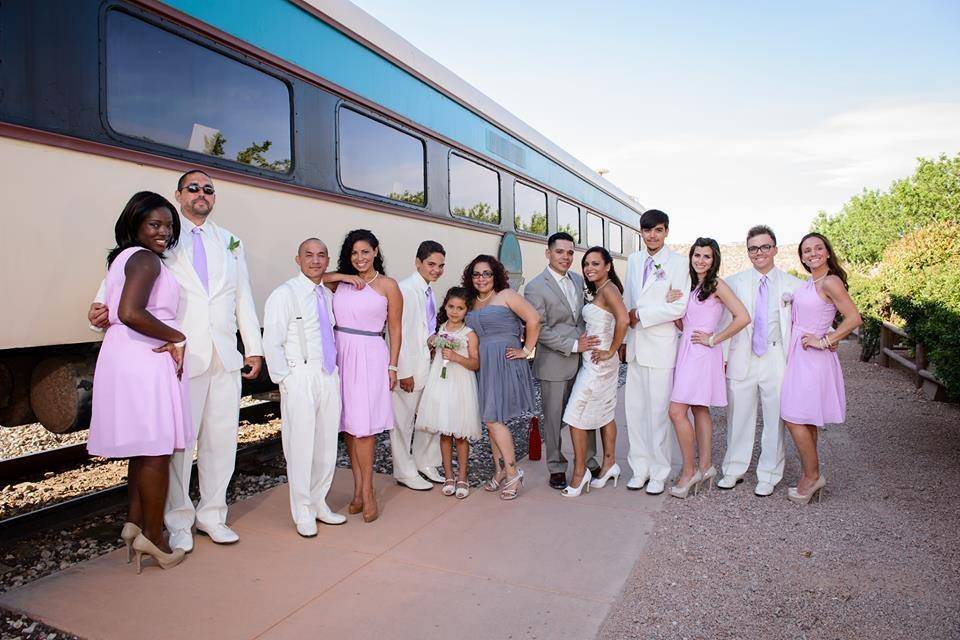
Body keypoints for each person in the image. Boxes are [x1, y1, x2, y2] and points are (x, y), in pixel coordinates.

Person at [89, 170, 263, 549]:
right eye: (193, 188)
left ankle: (213, 515)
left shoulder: (231, 241)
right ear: (179, 194)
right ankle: (178, 522)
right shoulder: (162, 233)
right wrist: (99, 303)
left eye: (209, 189)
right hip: (176, 355)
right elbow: (125, 275)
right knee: (179, 446)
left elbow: (241, 296)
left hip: (224, 355)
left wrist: (253, 346)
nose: (202, 194)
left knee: (221, 441)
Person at [87, 191, 190, 573]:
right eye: (155, 225)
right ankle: (156, 538)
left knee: (143, 448)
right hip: (145, 357)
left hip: (125, 354)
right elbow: (131, 312)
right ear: (135, 225)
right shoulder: (145, 259)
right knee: (156, 450)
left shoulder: (123, 259)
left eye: (168, 226)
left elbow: (117, 311)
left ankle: (133, 526)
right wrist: (177, 336)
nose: (163, 232)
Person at [262, 238, 347, 537]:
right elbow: (272, 341)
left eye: (321, 255)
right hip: (300, 375)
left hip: (327, 374)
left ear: (327, 260)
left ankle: (319, 502)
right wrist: (286, 379)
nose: (315, 260)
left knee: (325, 443)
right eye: (308, 255)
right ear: (297, 259)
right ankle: (302, 510)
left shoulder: (326, 294)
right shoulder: (284, 294)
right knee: (300, 446)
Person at [718, 225, 804, 496]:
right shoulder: (734, 282)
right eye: (754, 248)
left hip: (775, 355)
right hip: (742, 353)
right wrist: (721, 359)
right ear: (748, 252)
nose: (759, 253)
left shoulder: (794, 286)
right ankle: (734, 469)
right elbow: (723, 320)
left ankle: (768, 474)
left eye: (765, 247)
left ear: (775, 249)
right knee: (739, 415)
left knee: (774, 417)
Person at [324, 229, 402, 523]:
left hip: (370, 355)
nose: (360, 258)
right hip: (340, 353)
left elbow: (395, 329)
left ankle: (368, 491)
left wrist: (393, 366)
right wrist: (344, 277)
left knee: (364, 428)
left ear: (376, 251)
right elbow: (314, 276)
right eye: (354, 253)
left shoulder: (388, 285)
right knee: (348, 426)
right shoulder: (340, 284)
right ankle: (356, 491)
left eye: (365, 252)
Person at [780, 232, 861, 504]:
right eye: (806, 250)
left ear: (827, 253)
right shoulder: (809, 282)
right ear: (801, 257)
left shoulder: (831, 281)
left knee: (793, 417)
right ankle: (809, 475)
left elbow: (853, 318)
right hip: (799, 355)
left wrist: (825, 340)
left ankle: (813, 477)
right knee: (805, 416)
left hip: (813, 357)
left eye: (818, 248)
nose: (812, 253)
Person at [667, 239, 750, 499]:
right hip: (688, 350)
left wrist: (714, 339)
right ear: (691, 257)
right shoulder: (691, 286)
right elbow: (685, 324)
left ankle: (689, 471)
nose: (701, 260)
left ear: (714, 261)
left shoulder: (716, 285)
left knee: (676, 411)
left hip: (703, 353)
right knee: (699, 407)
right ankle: (706, 467)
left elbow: (743, 317)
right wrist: (673, 305)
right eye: (697, 255)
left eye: (707, 257)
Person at [523, 232, 601, 490]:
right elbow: (540, 329)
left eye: (570, 252)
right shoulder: (535, 287)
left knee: (584, 411)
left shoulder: (579, 280)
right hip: (554, 363)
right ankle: (556, 467)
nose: (566, 257)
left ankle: (588, 460)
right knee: (554, 419)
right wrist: (573, 345)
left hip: (583, 362)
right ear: (548, 253)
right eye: (560, 252)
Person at [623, 209, 691, 495]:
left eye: (658, 230)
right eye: (647, 230)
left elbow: (679, 306)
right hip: (636, 346)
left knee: (658, 413)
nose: (652, 235)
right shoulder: (634, 260)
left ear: (666, 232)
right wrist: (626, 337)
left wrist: (643, 313)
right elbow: (628, 300)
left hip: (662, 347)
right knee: (635, 412)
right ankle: (639, 469)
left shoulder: (678, 263)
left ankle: (660, 472)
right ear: (641, 232)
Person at [462, 255, 540, 500]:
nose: (481, 278)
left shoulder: (506, 296)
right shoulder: (472, 302)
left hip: (504, 361)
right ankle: (498, 471)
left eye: (486, 273)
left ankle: (513, 472)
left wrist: (526, 350)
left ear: (495, 275)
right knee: (489, 420)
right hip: (483, 364)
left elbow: (534, 319)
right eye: (476, 274)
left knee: (493, 418)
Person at [559, 247, 629, 497]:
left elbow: (623, 320)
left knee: (575, 416)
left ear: (608, 266)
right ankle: (609, 463)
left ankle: (580, 473)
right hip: (597, 362)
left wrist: (611, 350)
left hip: (600, 363)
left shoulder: (608, 289)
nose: (589, 268)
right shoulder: (602, 289)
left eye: (596, 264)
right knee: (605, 411)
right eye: (586, 264)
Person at [415, 287, 482, 499]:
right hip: (440, 384)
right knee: (444, 432)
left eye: (460, 308)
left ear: (466, 310)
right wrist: (431, 343)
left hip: (460, 385)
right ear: (445, 307)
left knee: (460, 434)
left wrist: (456, 357)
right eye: (451, 307)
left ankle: (463, 475)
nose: (454, 311)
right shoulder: (439, 329)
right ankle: (449, 476)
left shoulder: (468, 334)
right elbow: (430, 350)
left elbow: (475, 363)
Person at [392, 241, 446, 490]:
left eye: (440, 266)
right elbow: (396, 333)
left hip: (427, 364)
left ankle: (425, 462)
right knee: (403, 422)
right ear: (418, 262)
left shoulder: (427, 290)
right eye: (431, 264)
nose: (436, 270)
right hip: (409, 369)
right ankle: (404, 470)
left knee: (428, 417)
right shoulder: (404, 290)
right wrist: (402, 371)